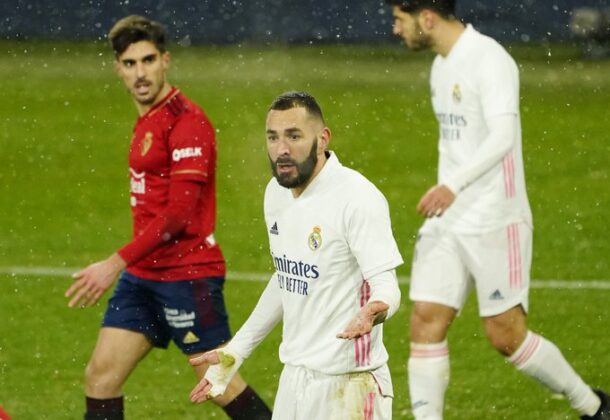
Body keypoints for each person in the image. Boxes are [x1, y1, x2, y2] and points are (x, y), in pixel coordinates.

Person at [384, 1, 610, 419]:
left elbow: (503, 135)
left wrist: (453, 185)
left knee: (506, 336)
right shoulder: (441, 66)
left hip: (495, 218)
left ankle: (593, 406)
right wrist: (450, 190)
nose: (396, 29)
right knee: (425, 320)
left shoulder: (489, 59)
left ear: (427, 17)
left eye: (401, 19)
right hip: (448, 221)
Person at [64, 15, 271, 420]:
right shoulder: (150, 119)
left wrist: (112, 264)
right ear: (118, 69)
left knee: (217, 382)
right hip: (144, 276)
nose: (140, 73)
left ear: (165, 60)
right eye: (130, 63)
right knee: (101, 377)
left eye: (148, 60)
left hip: (188, 277)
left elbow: (178, 215)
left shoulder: (187, 122)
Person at [188, 91, 404, 419]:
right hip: (294, 380)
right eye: (273, 137)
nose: (282, 149)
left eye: (294, 136)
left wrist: (375, 309)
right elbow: (288, 278)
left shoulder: (357, 198)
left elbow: (387, 285)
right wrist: (236, 351)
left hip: (352, 384)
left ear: (322, 139)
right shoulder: (276, 193)